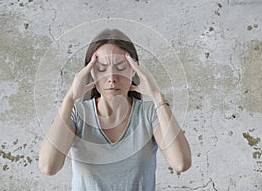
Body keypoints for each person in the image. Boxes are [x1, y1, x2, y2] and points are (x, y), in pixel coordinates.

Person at [39, 29, 191, 191]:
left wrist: (157, 96)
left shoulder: (150, 113)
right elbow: (48, 167)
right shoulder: (77, 113)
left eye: (120, 67)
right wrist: (69, 99)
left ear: (133, 70)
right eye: (102, 68)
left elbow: (180, 163)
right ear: (91, 72)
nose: (111, 77)